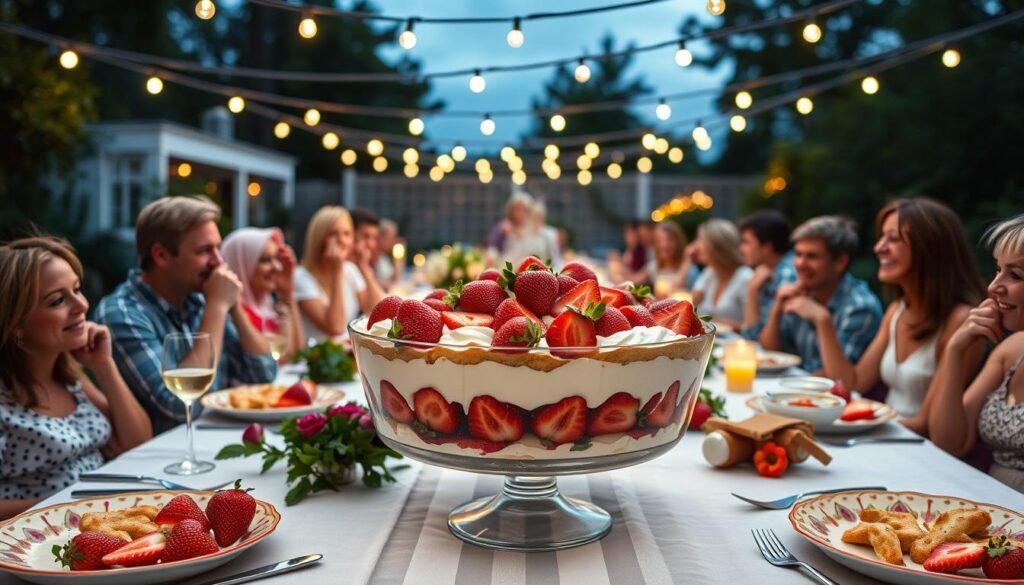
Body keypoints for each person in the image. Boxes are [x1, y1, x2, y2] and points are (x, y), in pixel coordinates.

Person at [94, 196, 276, 434]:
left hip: (212, 444)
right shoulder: (121, 315)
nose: (219, 261)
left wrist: (233, 306)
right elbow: (179, 405)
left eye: (218, 248)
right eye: (204, 251)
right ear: (161, 255)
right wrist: (218, 306)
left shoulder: (201, 300)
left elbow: (262, 375)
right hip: (158, 459)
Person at [1, 237, 152, 518]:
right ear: (16, 325)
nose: (81, 305)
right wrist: (64, 504)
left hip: (101, 520)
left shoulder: (70, 376)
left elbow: (138, 445)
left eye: (77, 290)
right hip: (37, 542)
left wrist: (104, 365)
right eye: (58, 300)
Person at [810, 200, 986, 431]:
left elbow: (926, 424)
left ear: (928, 248)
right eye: (882, 237)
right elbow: (854, 382)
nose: (879, 248)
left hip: (919, 447)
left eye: (893, 239)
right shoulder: (898, 310)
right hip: (888, 434)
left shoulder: (961, 320)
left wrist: (845, 424)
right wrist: (823, 321)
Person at [929, 214, 1024, 492]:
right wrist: (955, 350)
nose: (993, 287)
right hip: (993, 511)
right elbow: (950, 442)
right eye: (998, 269)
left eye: (1015, 275)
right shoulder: (1011, 350)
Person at [759, 215, 883, 374]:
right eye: (798, 254)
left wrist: (822, 319)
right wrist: (777, 309)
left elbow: (840, 378)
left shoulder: (860, 307)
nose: (800, 264)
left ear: (840, 263)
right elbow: (770, 351)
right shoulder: (798, 290)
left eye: (812, 256)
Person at [295, 206, 382, 343]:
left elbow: (378, 312)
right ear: (319, 238)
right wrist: (337, 272)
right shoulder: (301, 277)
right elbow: (335, 328)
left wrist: (364, 267)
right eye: (333, 234)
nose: (342, 240)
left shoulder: (350, 270)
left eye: (347, 234)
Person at [221, 227, 305, 363]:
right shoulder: (233, 313)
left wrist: (287, 294)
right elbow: (276, 361)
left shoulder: (268, 308)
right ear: (241, 264)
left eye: (277, 259)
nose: (277, 267)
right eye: (266, 260)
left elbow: (297, 352)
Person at [738, 210, 796, 340]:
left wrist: (752, 290)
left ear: (766, 247)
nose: (741, 249)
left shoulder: (787, 276)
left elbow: (754, 338)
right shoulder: (766, 272)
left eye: (747, 242)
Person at [690, 220, 753, 329]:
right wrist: (687, 261)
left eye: (700, 240)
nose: (695, 247)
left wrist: (711, 323)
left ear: (718, 246)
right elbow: (690, 304)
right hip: (711, 342)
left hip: (735, 344)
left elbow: (750, 328)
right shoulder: (709, 272)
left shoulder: (745, 277)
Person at [639, 222, 700, 297]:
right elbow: (634, 279)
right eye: (660, 240)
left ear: (678, 242)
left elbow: (674, 293)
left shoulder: (691, 269)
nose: (664, 245)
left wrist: (687, 260)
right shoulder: (654, 266)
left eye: (670, 239)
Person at [348, 209, 387, 303]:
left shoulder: (356, 265)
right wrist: (364, 267)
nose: (371, 244)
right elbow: (378, 304)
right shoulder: (346, 267)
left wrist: (364, 266)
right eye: (366, 236)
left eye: (374, 238)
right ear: (350, 234)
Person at [488, 192, 534, 258]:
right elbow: (493, 248)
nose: (520, 213)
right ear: (511, 210)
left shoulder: (533, 228)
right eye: (517, 209)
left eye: (523, 209)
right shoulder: (503, 227)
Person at [376, 218, 404, 288]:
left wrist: (398, 261)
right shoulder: (373, 258)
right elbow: (387, 285)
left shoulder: (383, 258)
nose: (394, 241)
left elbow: (393, 279)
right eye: (392, 237)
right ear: (381, 237)